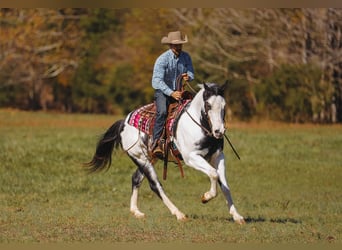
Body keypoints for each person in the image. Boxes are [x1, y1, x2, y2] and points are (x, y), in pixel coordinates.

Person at [150, 31, 195, 156]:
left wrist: (188, 77)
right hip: (163, 92)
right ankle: (156, 142)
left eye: (180, 44)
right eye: (176, 45)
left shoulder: (186, 57)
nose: (178, 47)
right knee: (163, 112)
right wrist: (171, 93)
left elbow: (191, 72)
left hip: (180, 91)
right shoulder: (162, 59)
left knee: (193, 109)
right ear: (170, 45)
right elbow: (157, 80)